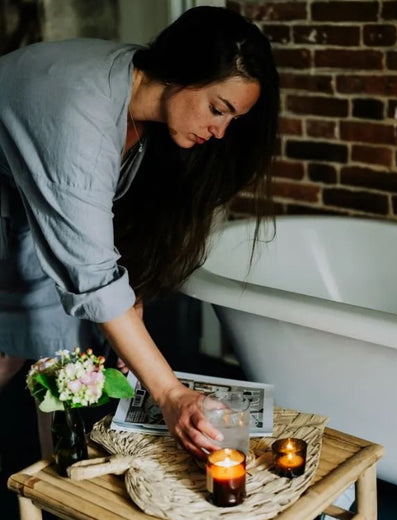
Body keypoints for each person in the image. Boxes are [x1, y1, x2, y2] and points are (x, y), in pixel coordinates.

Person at [0, 6, 279, 458]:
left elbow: (107, 225)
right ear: (183, 72)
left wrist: (133, 302)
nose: (221, 131)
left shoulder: (138, 92)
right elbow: (90, 272)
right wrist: (172, 396)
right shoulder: (79, 116)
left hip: (22, 201)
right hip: (14, 200)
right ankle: (52, 482)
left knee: (53, 351)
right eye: (217, 109)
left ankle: (58, 477)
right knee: (16, 351)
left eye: (232, 119)